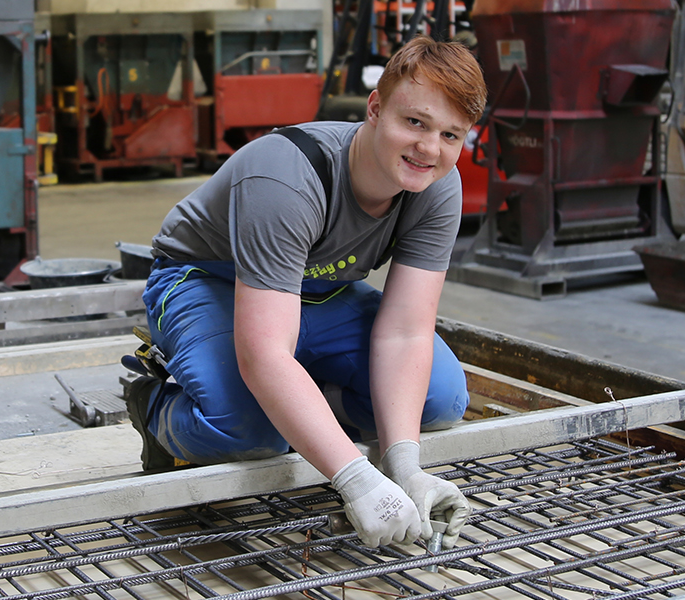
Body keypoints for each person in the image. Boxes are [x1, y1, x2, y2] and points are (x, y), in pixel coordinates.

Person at [124, 36, 487, 551]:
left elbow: (407, 330)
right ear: (376, 108)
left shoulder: (435, 187)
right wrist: (354, 479)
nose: (429, 148)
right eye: (415, 123)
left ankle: (301, 405)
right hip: (208, 280)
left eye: (451, 134)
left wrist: (404, 467)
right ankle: (156, 408)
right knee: (252, 430)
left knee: (441, 397)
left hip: (318, 290)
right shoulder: (287, 176)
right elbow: (265, 353)